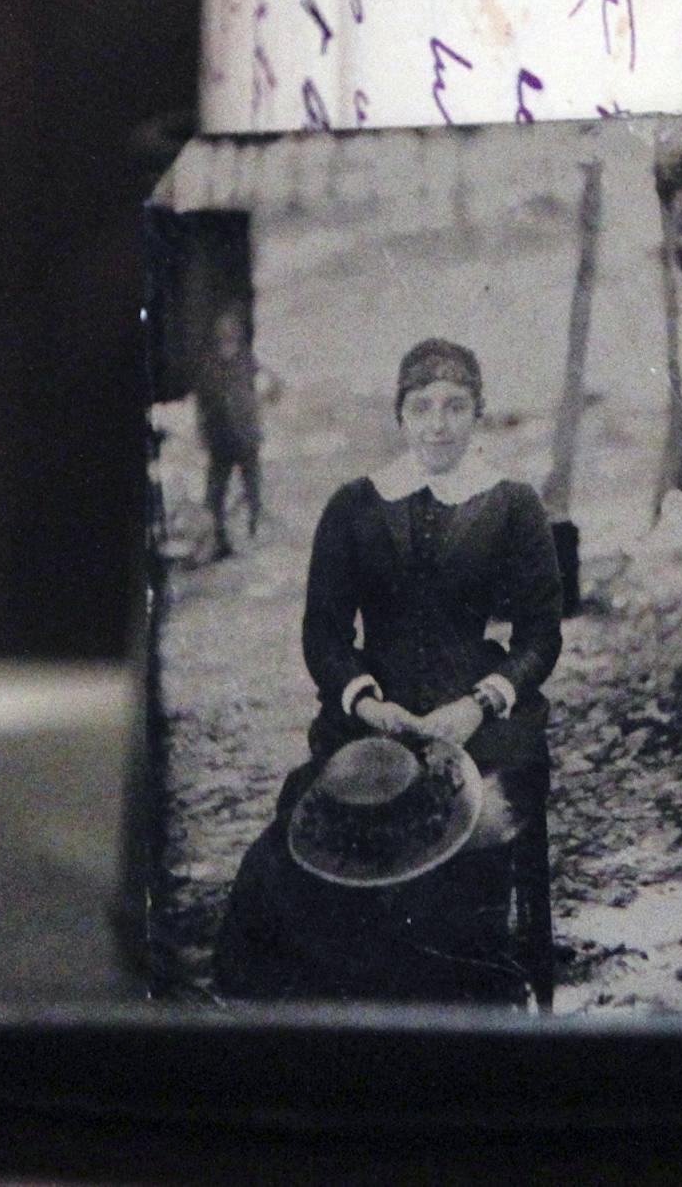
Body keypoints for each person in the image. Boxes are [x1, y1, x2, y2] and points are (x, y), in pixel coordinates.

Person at [213, 338, 563, 1004]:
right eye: (422, 406)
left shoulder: (513, 504)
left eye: (456, 406)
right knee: (302, 848)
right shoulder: (355, 505)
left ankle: (461, 998)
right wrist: (368, 703)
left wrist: (480, 703)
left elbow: (540, 636)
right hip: (377, 728)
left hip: (484, 728)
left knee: (467, 840)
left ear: (479, 415)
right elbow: (324, 633)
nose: (438, 422)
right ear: (399, 416)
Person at [193, 305, 279, 560]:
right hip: (222, 439)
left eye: (232, 338)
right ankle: (221, 539)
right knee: (215, 495)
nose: (228, 344)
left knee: (252, 489)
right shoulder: (210, 367)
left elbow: (271, 384)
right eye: (223, 339)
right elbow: (203, 406)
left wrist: (265, 397)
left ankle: (253, 532)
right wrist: (204, 434)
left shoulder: (246, 360)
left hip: (245, 437)